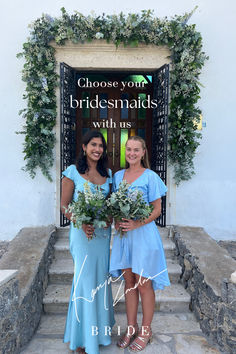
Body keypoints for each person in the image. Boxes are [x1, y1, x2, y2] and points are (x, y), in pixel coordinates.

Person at [109, 135, 170, 352]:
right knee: (129, 283)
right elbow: (115, 205)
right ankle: (131, 327)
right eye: (129, 149)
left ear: (144, 152)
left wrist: (137, 223)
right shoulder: (117, 176)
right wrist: (118, 221)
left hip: (143, 236)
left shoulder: (151, 177)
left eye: (136, 150)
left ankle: (146, 330)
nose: (132, 153)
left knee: (144, 284)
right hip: (125, 237)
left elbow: (157, 209)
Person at [61, 130, 115, 354]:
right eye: (93, 144)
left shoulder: (109, 174)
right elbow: (64, 207)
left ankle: (99, 335)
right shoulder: (72, 172)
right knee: (84, 282)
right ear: (84, 147)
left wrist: (108, 218)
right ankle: (82, 340)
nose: (97, 149)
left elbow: (110, 208)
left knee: (100, 281)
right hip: (82, 235)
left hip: (101, 236)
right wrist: (81, 222)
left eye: (100, 146)